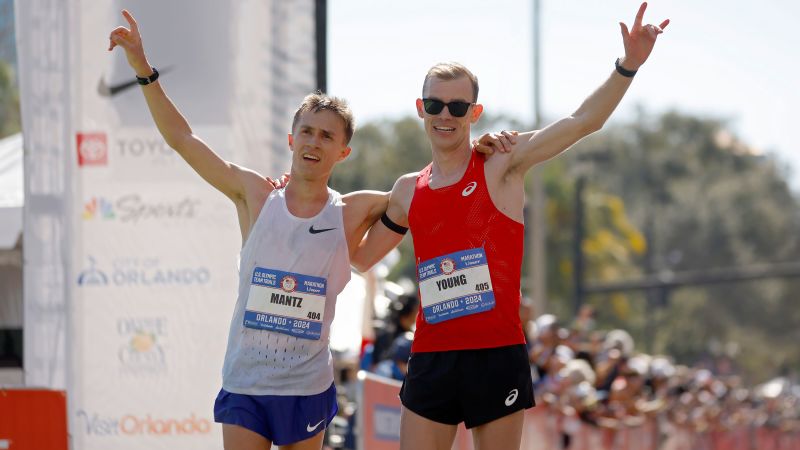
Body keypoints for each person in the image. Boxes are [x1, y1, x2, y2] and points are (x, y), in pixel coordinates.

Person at [108, 11, 513, 450]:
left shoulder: (353, 210)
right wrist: (143, 71)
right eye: (306, 132)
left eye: (326, 136)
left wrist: (479, 150)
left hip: (307, 387)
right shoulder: (255, 195)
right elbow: (182, 139)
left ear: (344, 151)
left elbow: (434, 187)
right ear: (291, 140)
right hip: (246, 382)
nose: (313, 143)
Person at [354, 4, 669, 449]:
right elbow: (360, 256)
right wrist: (335, 200)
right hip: (431, 356)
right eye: (435, 104)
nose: (445, 115)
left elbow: (583, 122)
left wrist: (628, 65)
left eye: (457, 106)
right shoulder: (407, 190)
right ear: (420, 108)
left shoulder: (501, 163)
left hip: (495, 354)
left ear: (474, 111)